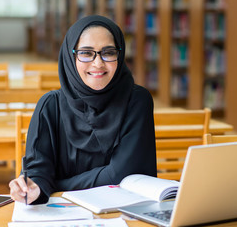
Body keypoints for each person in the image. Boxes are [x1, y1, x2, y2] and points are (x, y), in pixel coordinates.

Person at [9, 15, 157, 204]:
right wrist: (32, 188)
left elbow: (122, 176)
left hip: (122, 214)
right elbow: (37, 173)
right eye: (86, 53)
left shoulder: (136, 101)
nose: (98, 63)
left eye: (109, 52)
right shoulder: (50, 106)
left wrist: (54, 185)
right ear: (71, 57)